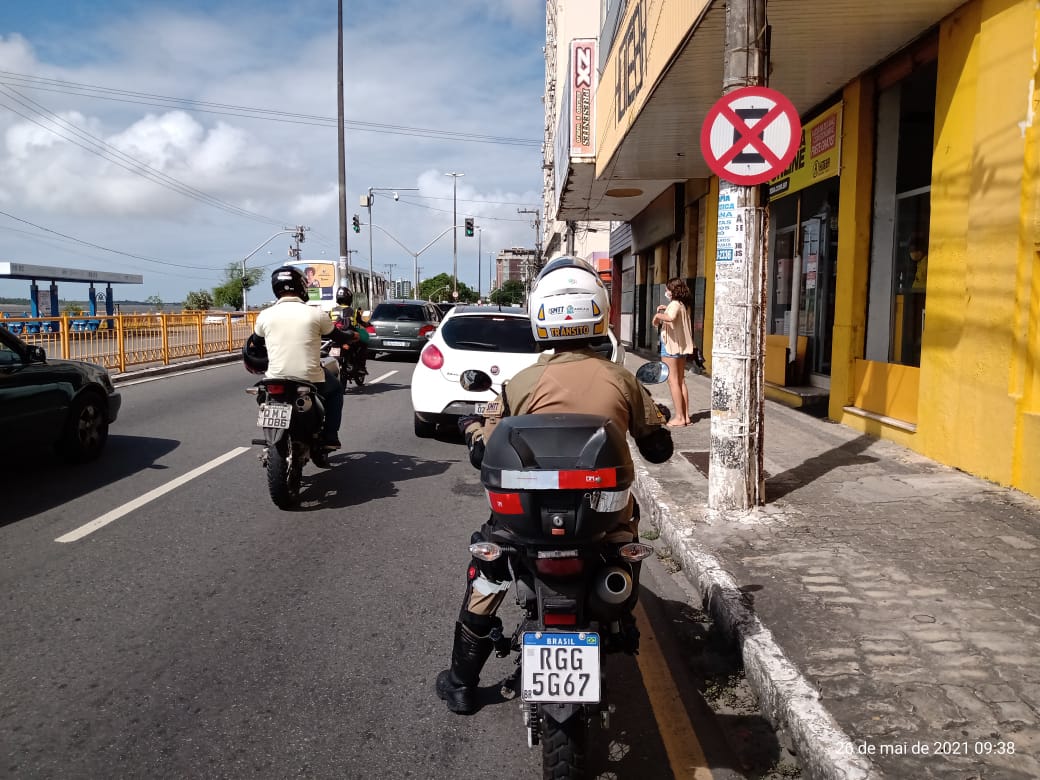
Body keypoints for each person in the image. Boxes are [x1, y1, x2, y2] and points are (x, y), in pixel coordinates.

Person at [435, 256, 674, 716]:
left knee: (487, 573)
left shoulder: (523, 382)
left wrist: (471, 428)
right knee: (626, 542)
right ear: (599, 310)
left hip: (526, 522)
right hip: (604, 522)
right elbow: (658, 451)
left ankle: (463, 684)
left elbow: (485, 452)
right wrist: (654, 419)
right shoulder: (623, 379)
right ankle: (617, 615)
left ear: (539, 315)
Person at [247, 267, 353, 449]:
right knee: (335, 391)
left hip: (275, 376)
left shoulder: (265, 315)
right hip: (310, 377)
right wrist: (353, 335)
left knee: (264, 395)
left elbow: (255, 343)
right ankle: (330, 436)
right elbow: (339, 336)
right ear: (302, 287)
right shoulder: (316, 314)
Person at [652, 277, 695, 427]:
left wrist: (658, 316)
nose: (666, 292)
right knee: (681, 380)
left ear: (673, 291)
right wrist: (666, 308)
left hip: (670, 347)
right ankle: (686, 416)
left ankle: (679, 418)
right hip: (682, 347)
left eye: (667, 289)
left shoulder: (675, 304)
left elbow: (670, 318)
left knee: (673, 381)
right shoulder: (683, 304)